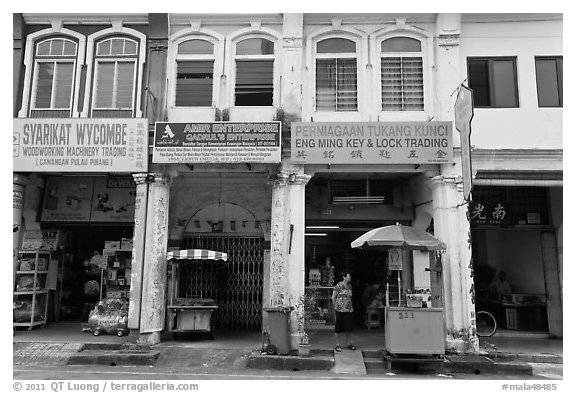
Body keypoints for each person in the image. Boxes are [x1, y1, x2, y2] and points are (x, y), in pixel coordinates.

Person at [332, 270, 356, 352]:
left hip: (348, 309)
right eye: (348, 276)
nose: (350, 278)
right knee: (338, 327)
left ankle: (348, 343)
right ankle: (337, 344)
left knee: (348, 327)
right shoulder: (338, 285)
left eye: (350, 277)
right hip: (339, 309)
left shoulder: (349, 286)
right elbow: (333, 297)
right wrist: (334, 306)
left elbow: (351, 295)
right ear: (344, 277)